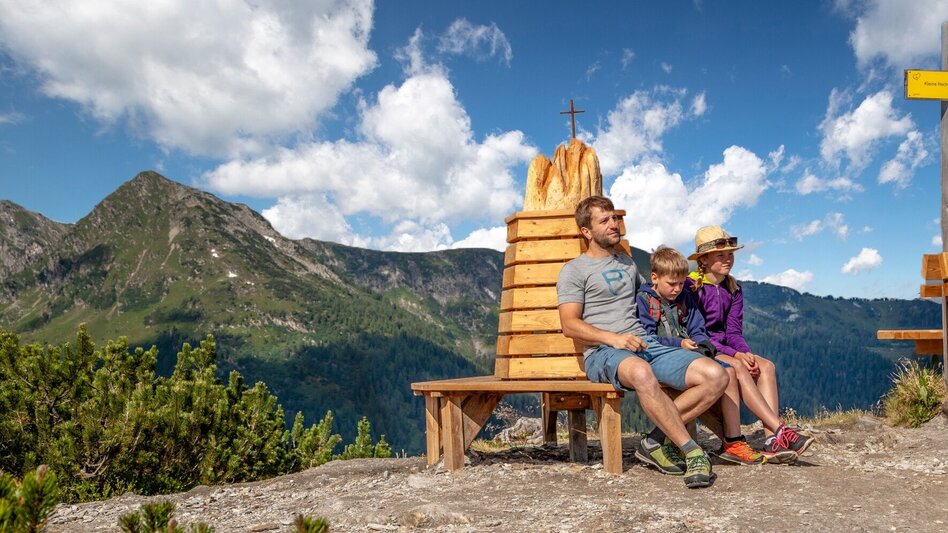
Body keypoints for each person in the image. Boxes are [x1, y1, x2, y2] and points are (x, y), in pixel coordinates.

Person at [556, 196, 728, 488]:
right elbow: (569, 324)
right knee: (640, 372)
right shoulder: (574, 270)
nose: (614, 224)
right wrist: (614, 339)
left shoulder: (626, 263)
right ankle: (692, 451)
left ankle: (653, 441)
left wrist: (693, 285)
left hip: (645, 343)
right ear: (586, 231)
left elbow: (653, 296)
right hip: (603, 352)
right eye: (605, 220)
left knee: (716, 375)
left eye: (615, 218)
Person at [685, 226, 814, 463]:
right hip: (702, 349)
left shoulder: (733, 288)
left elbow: (733, 330)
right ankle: (780, 429)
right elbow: (700, 333)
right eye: (720, 256)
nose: (728, 260)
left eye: (730, 255)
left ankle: (771, 441)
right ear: (703, 259)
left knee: (766, 366)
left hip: (726, 349)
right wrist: (735, 356)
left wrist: (745, 353)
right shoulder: (691, 287)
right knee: (739, 367)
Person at [636, 246, 763, 465]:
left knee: (729, 372)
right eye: (672, 284)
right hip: (660, 356)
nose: (677, 289)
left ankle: (733, 441)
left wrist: (702, 344)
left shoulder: (686, 298)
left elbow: (698, 328)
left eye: (680, 283)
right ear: (655, 278)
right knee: (717, 376)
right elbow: (647, 337)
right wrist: (679, 343)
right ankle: (660, 437)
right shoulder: (645, 300)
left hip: (687, 354)